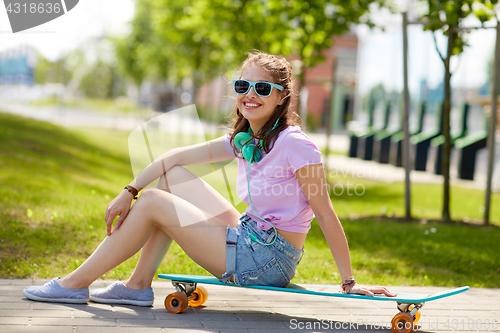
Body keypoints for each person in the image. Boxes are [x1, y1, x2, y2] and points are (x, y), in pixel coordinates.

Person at [23, 51, 395, 306]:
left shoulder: (297, 147)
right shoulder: (247, 138)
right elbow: (172, 159)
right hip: (249, 234)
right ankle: (137, 286)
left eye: (262, 88)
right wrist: (129, 190)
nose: (250, 95)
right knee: (170, 180)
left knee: (155, 204)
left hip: (266, 260)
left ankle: (73, 284)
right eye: (242, 86)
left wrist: (349, 283)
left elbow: (326, 213)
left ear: (282, 98)